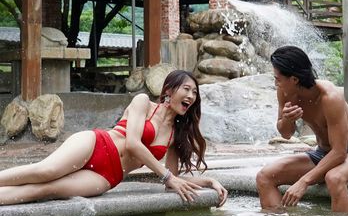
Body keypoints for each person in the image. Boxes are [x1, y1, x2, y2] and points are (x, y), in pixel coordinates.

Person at [0, 70, 228, 207]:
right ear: (169, 90)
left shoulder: (175, 136)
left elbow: (174, 182)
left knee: (45, 190)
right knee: (44, 172)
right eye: (186, 89)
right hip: (95, 145)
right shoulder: (142, 102)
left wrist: (209, 182)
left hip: (107, 176)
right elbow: (132, 143)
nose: (190, 95)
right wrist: (167, 176)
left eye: (194, 93)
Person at [256, 45, 348, 213]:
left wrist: (304, 182)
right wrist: (287, 119)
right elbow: (286, 134)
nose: (276, 83)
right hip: (322, 154)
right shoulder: (285, 92)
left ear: (294, 79)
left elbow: (340, 153)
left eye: (278, 79)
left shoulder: (330, 97)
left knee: (334, 177)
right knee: (264, 177)